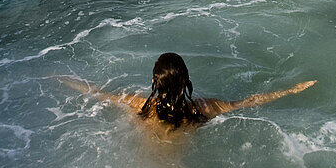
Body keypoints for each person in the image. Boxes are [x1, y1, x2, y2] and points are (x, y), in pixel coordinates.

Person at [57, 51, 315, 130]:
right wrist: (291, 90)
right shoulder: (204, 108)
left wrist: (63, 79)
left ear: (155, 82)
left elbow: (99, 93)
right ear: (186, 80)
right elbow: (248, 102)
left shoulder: (142, 106)